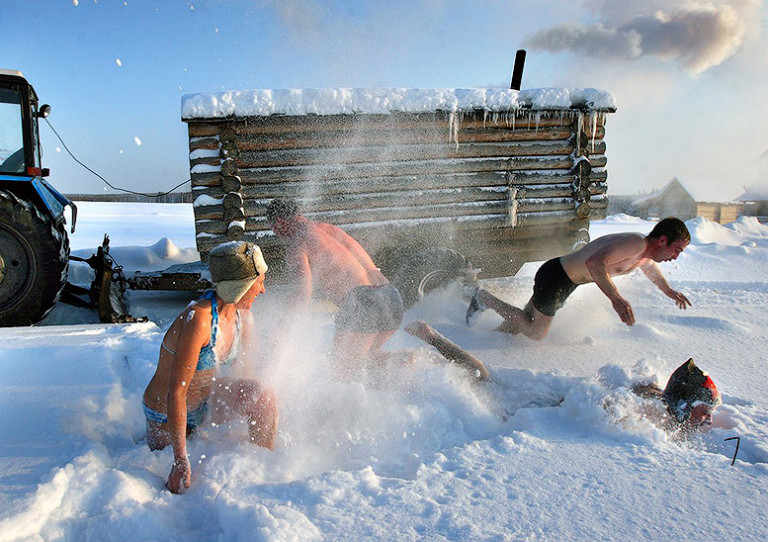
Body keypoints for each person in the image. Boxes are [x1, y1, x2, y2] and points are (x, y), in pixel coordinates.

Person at [142, 241, 278, 494]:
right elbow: (176, 393)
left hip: (206, 401)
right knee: (177, 483)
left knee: (263, 396)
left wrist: (255, 411)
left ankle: (263, 471)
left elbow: (245, 376)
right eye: (259, 281)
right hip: (166, 413)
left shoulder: (243, 317)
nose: (263, 290)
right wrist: (180, 459)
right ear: (240, 285)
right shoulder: (199, 319)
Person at [466, 217, 692, 340]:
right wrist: (615, 298)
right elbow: (594, 263)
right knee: (535, 332)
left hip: (564, 280)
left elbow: (652, 270)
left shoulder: (643, 256)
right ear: (662, 240)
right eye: (677, 250)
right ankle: (484, 298)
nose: (675, 256)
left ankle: (484, 340)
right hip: (557, 277)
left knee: (519, 326)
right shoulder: (635, 243)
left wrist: (669, 291)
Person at [266, 198, 404, 379]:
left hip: (363, 302)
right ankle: (419, 363)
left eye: (273, 228)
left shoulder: (298, 244)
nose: (275, 233)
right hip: (390, 296)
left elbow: (302, 294)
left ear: (280, 222)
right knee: (361, 361)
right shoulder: (329, 229)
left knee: (340, 372)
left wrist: (282, 329)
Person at [632, 358, 722, 431]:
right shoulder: (654, 413)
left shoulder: (674, 420)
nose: (710, 421)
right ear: (686, 405)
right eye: (705, 413)